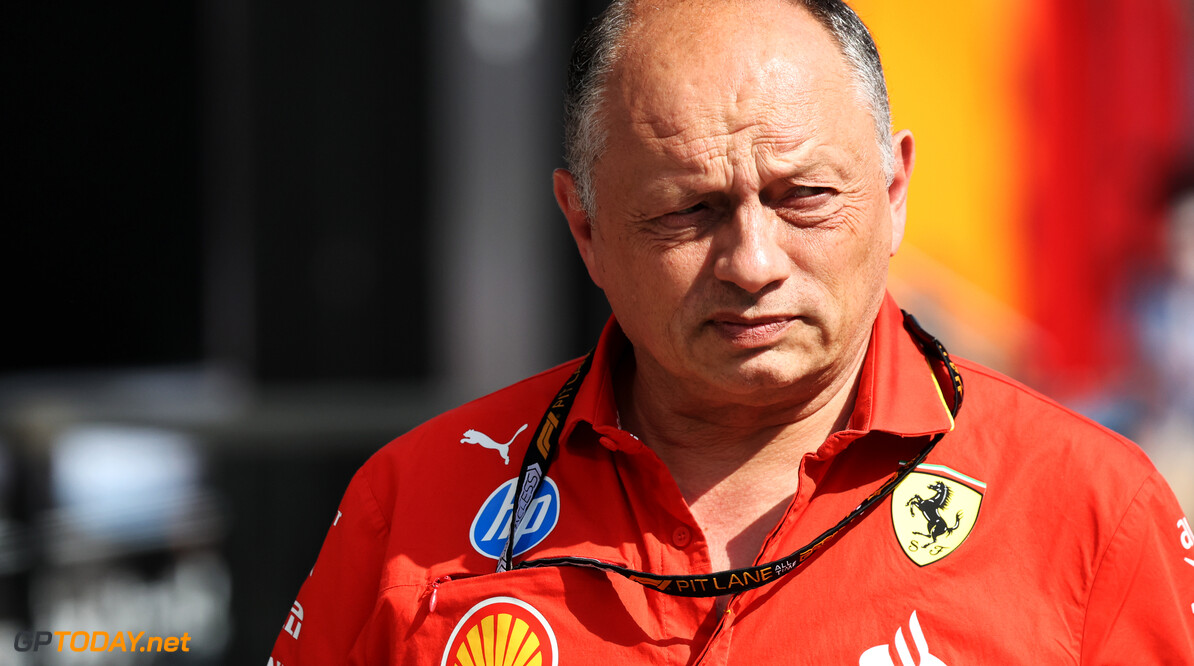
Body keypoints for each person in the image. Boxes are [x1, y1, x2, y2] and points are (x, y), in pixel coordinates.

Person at [269, 0, 1194, 663]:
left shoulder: (1091, 514)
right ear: (583, 225)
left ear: (895, 191)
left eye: (805, 198)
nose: (752, 260)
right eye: (688, 210)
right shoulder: (413, 508)